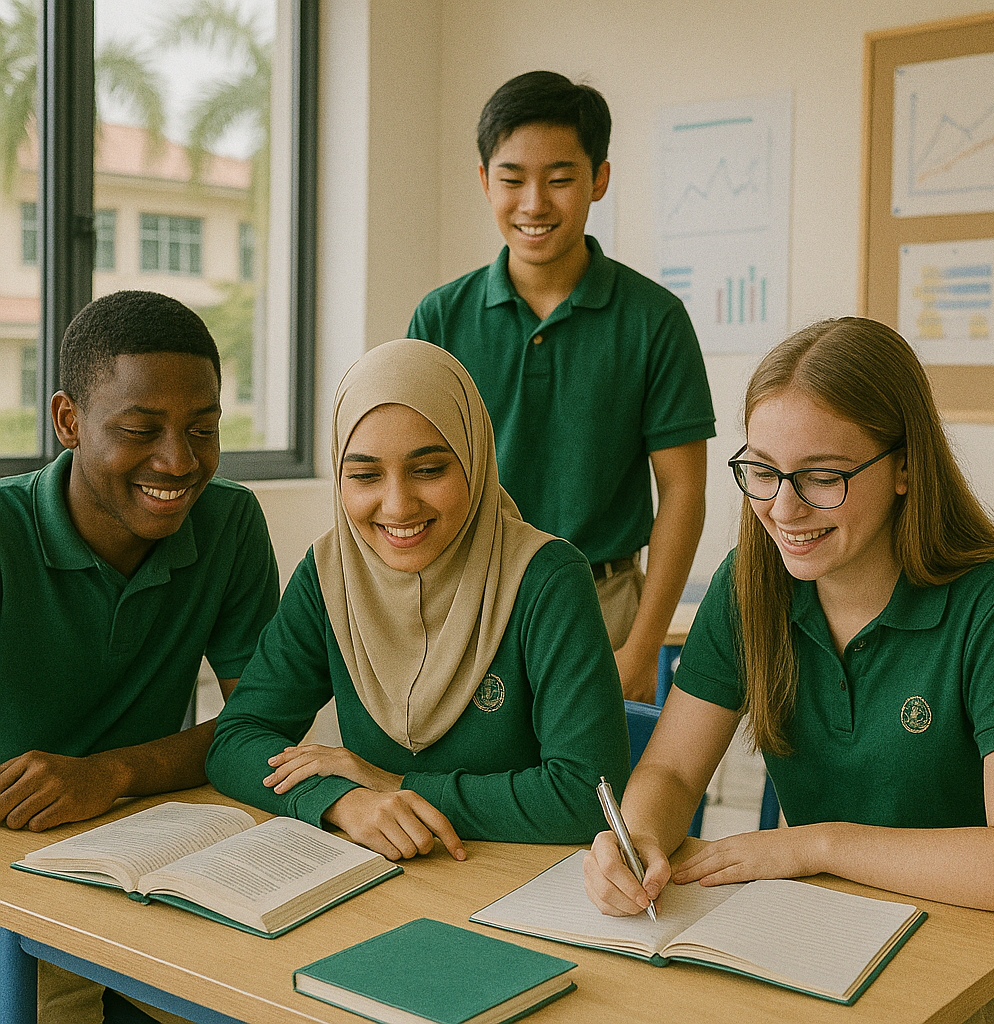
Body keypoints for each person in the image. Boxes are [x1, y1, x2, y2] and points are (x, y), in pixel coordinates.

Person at [584, 318, 994, 932]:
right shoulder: (750, 584)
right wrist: (639, 839)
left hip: (976, 955)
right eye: (763, 472)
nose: (783, 509)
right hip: (821, 932)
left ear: (905, 468)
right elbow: (674, 771)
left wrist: (813, 845)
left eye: (822, 476)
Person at [207, 339, 630, 859]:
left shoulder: (546, 578)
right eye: (364, 475)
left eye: (429, 470)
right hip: (383, 880)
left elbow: (589, 797)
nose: (398, 505)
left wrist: (392, 784)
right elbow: (237, 740)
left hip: (522, 883)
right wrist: (343, 802)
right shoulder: (328, 576)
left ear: (474, 460)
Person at [0, 289, 280, 1023]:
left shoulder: (230, 523)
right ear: (68, 421)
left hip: (162, 848)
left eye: (203, 429)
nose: (179, 461)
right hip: (17, 866)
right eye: (139, 429)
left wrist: (113, 773)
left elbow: (261, 724)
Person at [408, 70, 715, 703]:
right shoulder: (439, 318)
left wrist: (643, 647)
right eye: (512, 179)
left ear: (599, 179)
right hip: (467, 601)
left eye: (560, 179)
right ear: (485, 180)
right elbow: (410, 480)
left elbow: (683, 492)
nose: (534, 204)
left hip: (603, 608)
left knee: (597, 801)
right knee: (464, 798)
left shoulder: (654, 320)